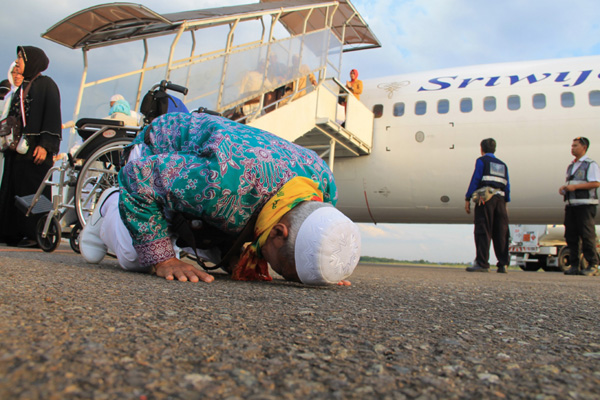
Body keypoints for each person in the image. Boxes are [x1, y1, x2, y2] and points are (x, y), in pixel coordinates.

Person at [80, 112, 361, 286]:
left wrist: (325, 268)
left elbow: (321, 233)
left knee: (226, 252)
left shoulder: (323, 187)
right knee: (135, 257)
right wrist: (163, 259)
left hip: (216, 176)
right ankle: (108, 203)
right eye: (284, 271)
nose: (275, 273)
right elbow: (139, 177)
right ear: (278, 232)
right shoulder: (222, 183)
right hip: (157, 151)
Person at [0, 46, 62, 247]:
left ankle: (37, 234)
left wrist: (45, 144)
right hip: (18, 151)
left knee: (34, 191)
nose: (17, 62)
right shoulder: (21, 88)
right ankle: (12, 232)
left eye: (21, 58)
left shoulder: (46, 85)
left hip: (36, 151)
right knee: (14, 189)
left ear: (33, 61)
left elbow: (52, 115)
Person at [464, 138, 510, 273]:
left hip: (486, 200)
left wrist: (468, 197)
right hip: (500, 200)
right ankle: (503, 264)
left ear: (482, 149)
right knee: (501, 233)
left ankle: (482, 263)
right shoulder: (503, 165)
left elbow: (476, 179)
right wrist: (506, 202)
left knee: (483, 230)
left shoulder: (481, 161)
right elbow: (508, 185)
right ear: (494, 149)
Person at [558, 137, 600, 276]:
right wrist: (565, 188)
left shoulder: (590, 164)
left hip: (585, 205)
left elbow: (595, 183)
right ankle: (574, 265)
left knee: (587, 235)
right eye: (572, 145)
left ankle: (592, 264)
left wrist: (575, 187)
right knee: (571, 236)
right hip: (571, 205)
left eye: (575, 145)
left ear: (584, 147)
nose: (572, 148)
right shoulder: (571, 166)